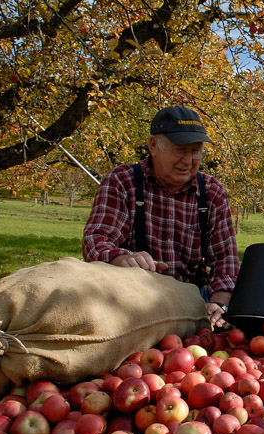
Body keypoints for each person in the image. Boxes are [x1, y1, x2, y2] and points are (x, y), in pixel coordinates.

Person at [83, 105, 239, 329]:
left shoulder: (212, 192)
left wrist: (219, 305)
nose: (188, 160)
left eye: (195, 151)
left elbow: (226, 262)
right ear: (153, 146)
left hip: (191, 303)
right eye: (179, 150)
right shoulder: (123, 182)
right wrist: (123, 259)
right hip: (132, 302)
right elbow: (95, 240)